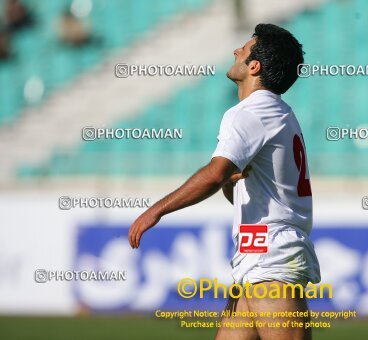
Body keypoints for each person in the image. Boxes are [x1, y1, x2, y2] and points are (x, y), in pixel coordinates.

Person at [128, 23, 320, 340]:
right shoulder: (277, 112)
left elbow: (214, 173)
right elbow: (239, 188)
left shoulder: (248, 113)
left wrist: (157, 210)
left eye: (243, 49)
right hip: (256, 250)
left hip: (270, 254)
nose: (236, 51)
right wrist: (232, 185)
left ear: (254, 66)